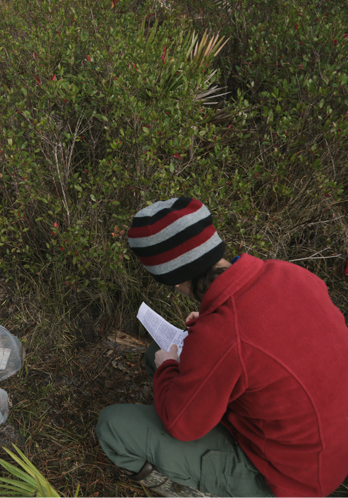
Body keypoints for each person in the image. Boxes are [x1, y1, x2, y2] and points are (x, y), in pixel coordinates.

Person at [96, 197, 348, 497]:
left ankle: (185, 488)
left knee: (113, 426)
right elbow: (260, 334)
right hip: (329, 451)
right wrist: (208, 324)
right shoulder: (288, 273)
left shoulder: (223, 335)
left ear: (174, 280)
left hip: (289, 482)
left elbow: (182, 425)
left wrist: (167, 367)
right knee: (158, 353)